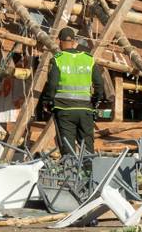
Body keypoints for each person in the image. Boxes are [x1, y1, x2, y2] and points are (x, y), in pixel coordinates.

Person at [41, 27, 103, 156]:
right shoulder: (89, 59)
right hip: (85, 110)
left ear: (60, 41)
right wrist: (95, 101)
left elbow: (52, 84)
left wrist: (47, 101)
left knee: (67, 146)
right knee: (87, 147)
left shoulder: (58, 59)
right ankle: (88, 172)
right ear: (74, 41)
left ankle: (70, 173)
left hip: (64, 110)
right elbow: (99, 84)